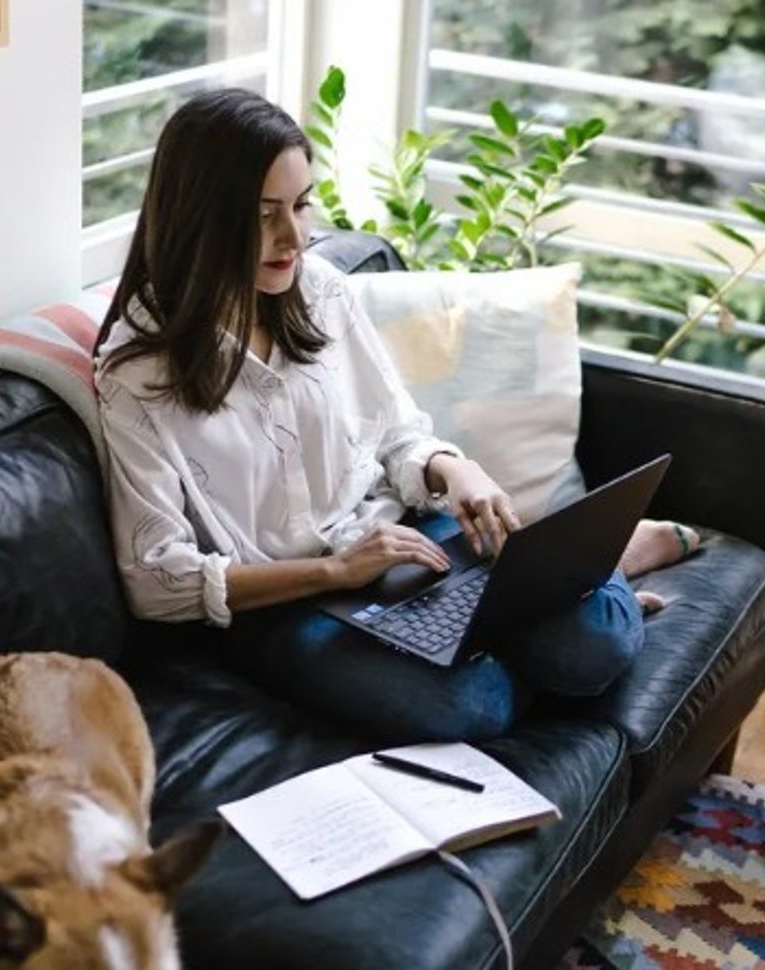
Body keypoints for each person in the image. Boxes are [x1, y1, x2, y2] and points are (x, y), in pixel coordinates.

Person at [93, 88, 697, 743]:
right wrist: (335, 571)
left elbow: (399, 434)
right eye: (263, 215)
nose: (293, 237)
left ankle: (604, 575)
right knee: (472, 706)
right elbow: (157, 581)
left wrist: (452, 469)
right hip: (282, 606)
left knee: (589, 649)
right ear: (198, 217)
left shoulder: (320, 290)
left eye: (300, 205)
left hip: (404, 537)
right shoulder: (136, 375)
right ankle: (593, 590)